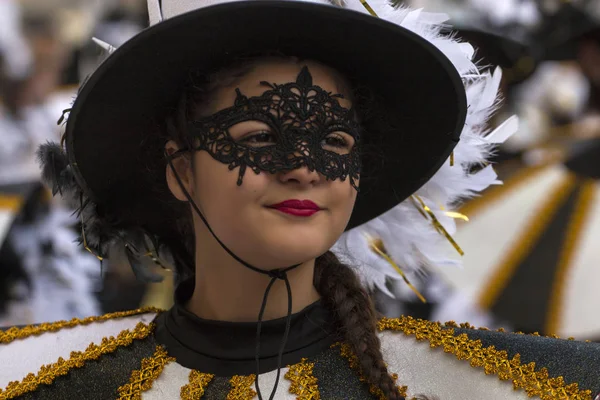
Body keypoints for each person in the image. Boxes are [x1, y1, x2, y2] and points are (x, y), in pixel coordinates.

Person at [0, 0, 599, 399]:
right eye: (260, 137)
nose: (305, 168)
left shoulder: (499, 385)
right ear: (181, 171)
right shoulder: (41, 377)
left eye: (334, 140)